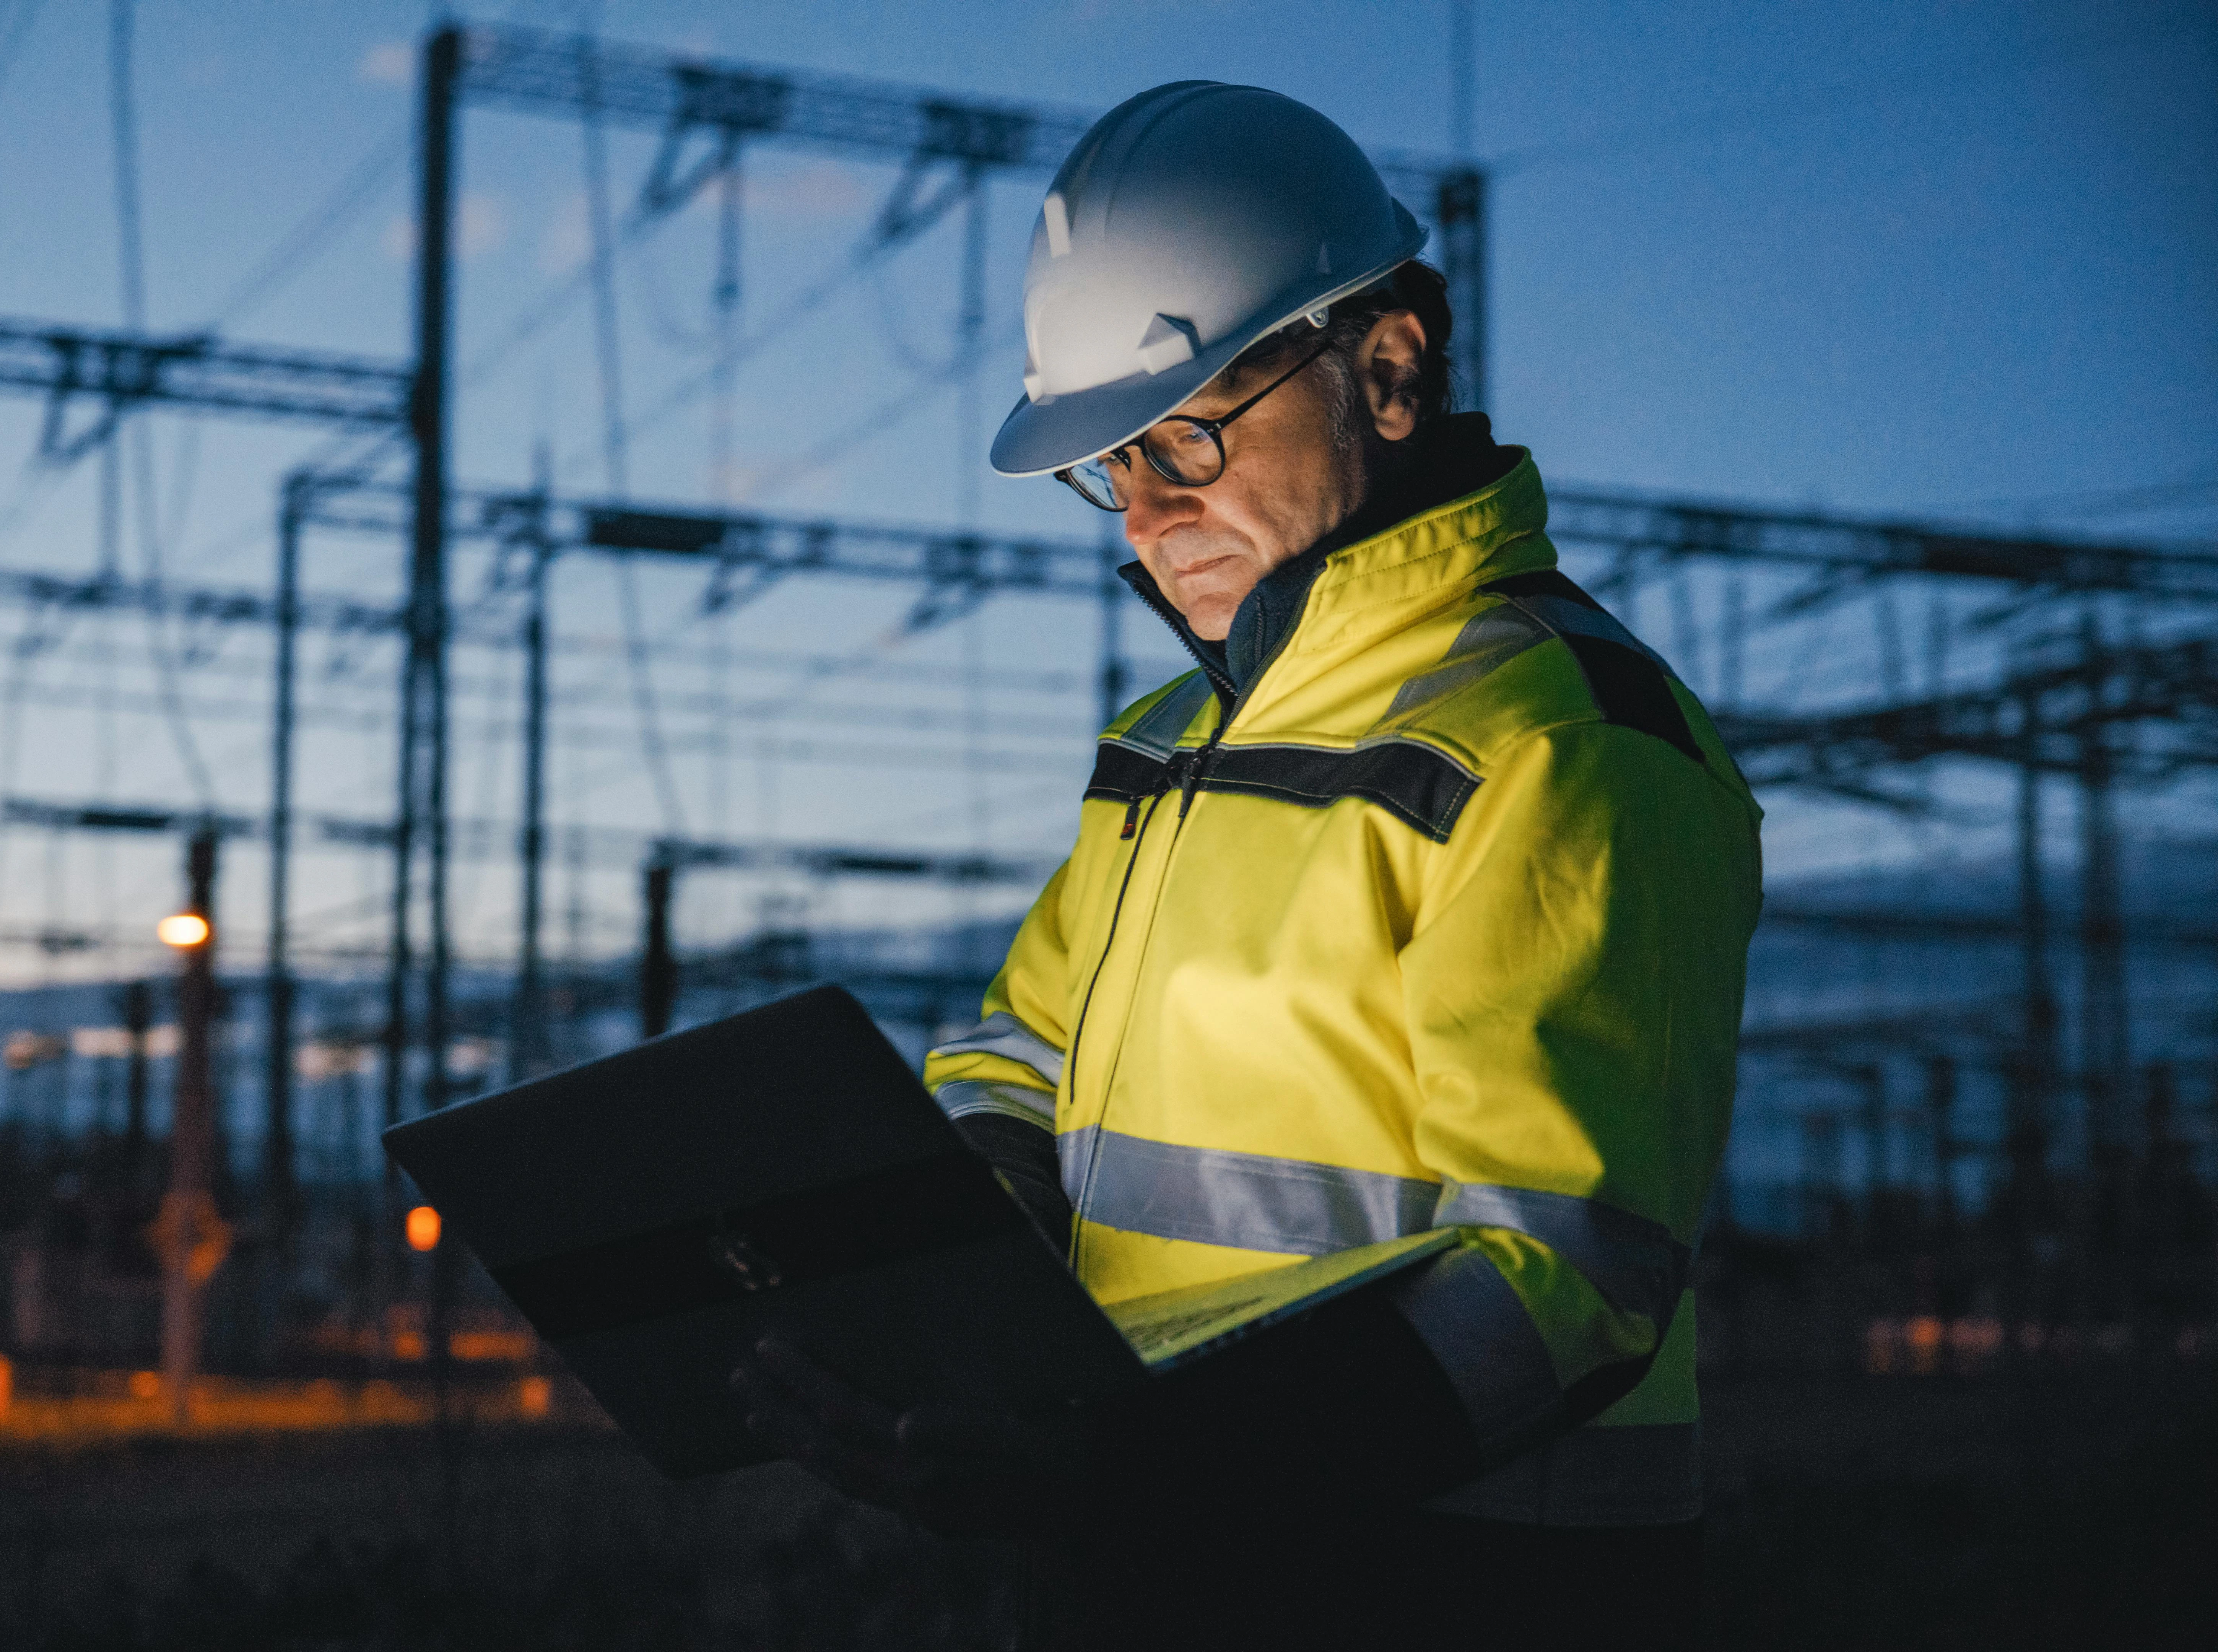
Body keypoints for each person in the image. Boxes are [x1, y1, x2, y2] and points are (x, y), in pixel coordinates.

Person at [733, 80, 1760, 1649]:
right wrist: (945, 1298)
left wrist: (1131, 1463)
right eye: (1113, 469)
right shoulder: (1163, 747)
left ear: (1393, 372)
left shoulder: (1566, 745)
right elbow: (1014, 1067)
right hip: (1155, 1549)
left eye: (1187, 440)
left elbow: (1560, 1279)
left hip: (1471, 1589)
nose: (1148, 518)